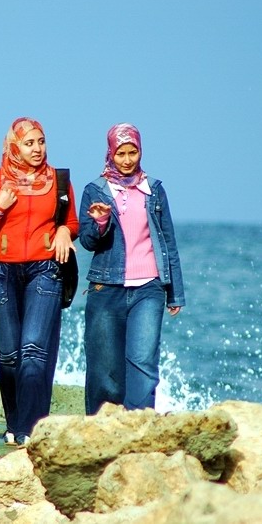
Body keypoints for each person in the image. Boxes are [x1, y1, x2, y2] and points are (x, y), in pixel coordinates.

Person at [0, 117, 79, 448]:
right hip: (4, 273)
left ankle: (30, 430)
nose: (37, 149)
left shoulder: (58, 181)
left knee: (33, 350)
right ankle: (15, 422)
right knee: (7, 354)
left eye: (41, 141)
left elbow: (72, 221)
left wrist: (65, 230)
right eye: (29, 143)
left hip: (45, 270)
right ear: (14, 146)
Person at [78, 123, 185, 415]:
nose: (127, 160)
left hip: (149, 288)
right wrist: (100, 223)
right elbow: (87, 241)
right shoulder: (95, 191)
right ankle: (101, 428)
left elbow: (168, 242)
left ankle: (140, 425)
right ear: (111, 153)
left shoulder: (154, 190)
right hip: (106, 288)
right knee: (105, 366)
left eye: (133, 152)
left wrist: (175, 292)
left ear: (140, 151)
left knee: (143, 361)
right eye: (121, 153)